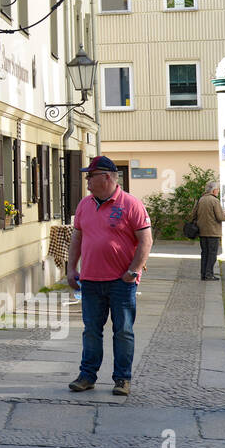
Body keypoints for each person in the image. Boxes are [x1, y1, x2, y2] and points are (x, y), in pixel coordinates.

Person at [65, 156, 152, 396]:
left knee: (123, 330)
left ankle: (122, 379)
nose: (87, 181)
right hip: (91, 280)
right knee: (91, 329)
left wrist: (133, 270)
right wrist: (71, 268)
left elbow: (146, 240)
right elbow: (77, 238)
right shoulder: (84, 204)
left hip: (121, 282)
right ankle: (87, 376)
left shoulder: (131, 204)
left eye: (90, 176)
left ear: (106, 177)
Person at [190, 181, 225, 280]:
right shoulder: (214, 201)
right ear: (214, 190)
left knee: (204, 253)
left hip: (202, 232)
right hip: (213, 232)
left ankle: (203, 274)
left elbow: (193, 215)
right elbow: (220, 217)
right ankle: (209, 274)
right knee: (212, 254)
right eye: (218, 189)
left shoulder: (201, 199)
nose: (218, 191)